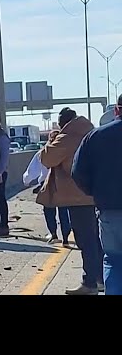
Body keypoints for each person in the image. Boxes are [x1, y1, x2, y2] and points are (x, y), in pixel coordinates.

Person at [39, 107, 103, 295]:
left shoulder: (66, 138)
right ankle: (99, 278)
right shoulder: (92, 132)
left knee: (85, 240)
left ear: (63, 123)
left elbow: (47, 159)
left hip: (77, 195)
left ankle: (90, 282)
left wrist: (52, 139)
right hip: (94, 193)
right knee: (95, 239)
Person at [72, 94, 122, 295]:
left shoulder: (95, 137)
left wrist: (95, 192)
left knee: (113, 260)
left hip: (110, 211)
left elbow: (77, 173)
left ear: (117, 110)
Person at [23, 130, 71, 246]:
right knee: (64, 212)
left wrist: (27, 181)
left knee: (49, 210)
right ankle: (65, 237)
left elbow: (32, 170)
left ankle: (54, 234)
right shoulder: (66, 152)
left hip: (47, 183)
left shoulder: (43, 152)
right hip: (62, 184)